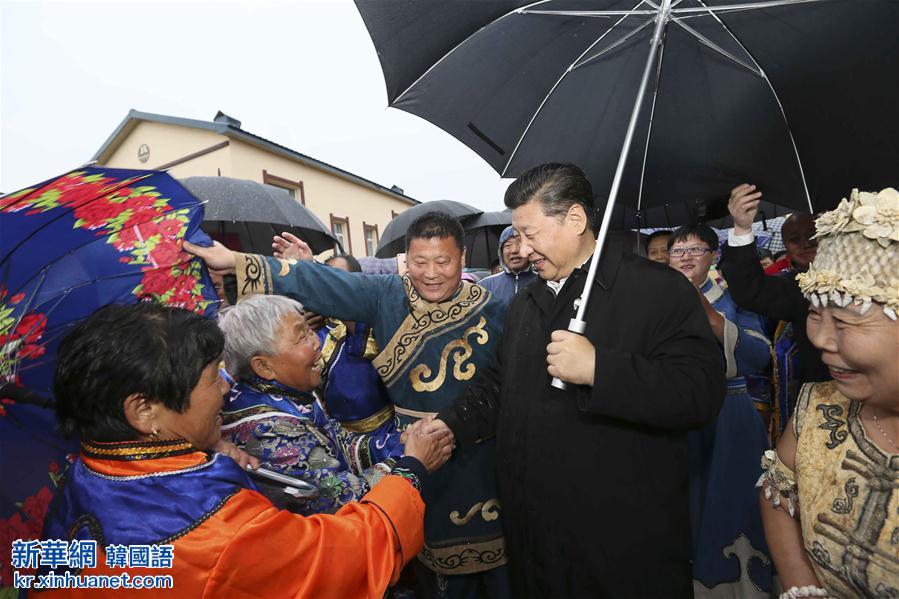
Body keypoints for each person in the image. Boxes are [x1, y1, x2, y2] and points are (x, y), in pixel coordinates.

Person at [433, 163, 725, 598]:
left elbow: (699, 392)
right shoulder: (526, 302)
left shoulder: (657, 290)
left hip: (617, 544)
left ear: (575, 220)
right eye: (517, 235)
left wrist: (599, 370)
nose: (521, 247)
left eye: (530, 233)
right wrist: (449, 425)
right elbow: (499, 384)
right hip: (535, 536)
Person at [186, 212, 511, 599]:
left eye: (443, 262)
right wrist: (241, 262)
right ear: (406, 260)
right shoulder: (386, 295)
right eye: (420, 262)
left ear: (462, 257)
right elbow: (327, 282)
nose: (432, 273)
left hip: (481, 455)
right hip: (414, 456)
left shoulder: (496, 310)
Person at [40, 302, 450, 598]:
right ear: (144, 410)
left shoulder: (83, 475)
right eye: (209, 378)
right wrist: (411, 468)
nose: (225, 387)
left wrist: (203, 451)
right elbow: (351, 554)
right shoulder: (217, 532)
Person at [757, 187, 899, 598]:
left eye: (845, 321)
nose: (820, 338)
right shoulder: (818, 406)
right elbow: (778, 495)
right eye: (816, 314)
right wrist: (803, 587)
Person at [217, 294, 407, 514]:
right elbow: (344, 500)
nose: (317, 342)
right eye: (301, 337)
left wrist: (397, 443)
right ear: (263, 366)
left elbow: (333, 441)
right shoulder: (270, 431)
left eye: (310, 329)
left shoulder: (286, 389)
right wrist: (409, 459)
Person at [667, 224, 773, 597]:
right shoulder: (656, 300)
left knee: (733, 501)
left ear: (713, 256)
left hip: (730, 413)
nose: (686, 257)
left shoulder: (733, 297)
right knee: (684, 504)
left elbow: (760, 354)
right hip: (677, 417)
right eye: (678, 251)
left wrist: (712, 318)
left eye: (696, 249)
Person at [720, 184, 830, 437]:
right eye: (794, 239)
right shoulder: (797, 286)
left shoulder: (873, 271)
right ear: (788, 247)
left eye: (812, 233)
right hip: (823, 404)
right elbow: (750, 290)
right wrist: (742, 228)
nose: (805, 243)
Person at [316, 254, 403, 467]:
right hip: (337, 440)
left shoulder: (371, 323)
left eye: (341, 280)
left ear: (359, 281)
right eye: (327, 280)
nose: (334, 287)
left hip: (385, 436)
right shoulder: (315, 327)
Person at [478, 226, 538, 305]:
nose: (514, 250)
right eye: (508, 246)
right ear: (501, 253)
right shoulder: (485, 285)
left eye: (519, 244)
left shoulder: (544, 283)